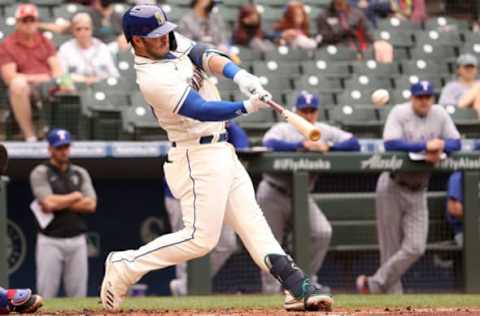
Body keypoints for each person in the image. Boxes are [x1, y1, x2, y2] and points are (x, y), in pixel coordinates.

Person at [101, 5, 333, 312]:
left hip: (221, 149)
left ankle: (294, 284)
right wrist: (245, 106)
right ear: (136, 41)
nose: (163, 39)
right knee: (201, 240)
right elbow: (199, 108)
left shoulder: (167, 41)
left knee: (253, 224)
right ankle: (125, 264)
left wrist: (239, 74)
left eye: (164, 32)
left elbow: (201, 53)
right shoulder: (151, 78)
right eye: (153, 36)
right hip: (195, 155)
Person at [356, 81, 461, 294]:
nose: (424, 101)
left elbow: (456, 143)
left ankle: (374, 284)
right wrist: (425, 146)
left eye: (428, 97)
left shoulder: (439, 113)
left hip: (419, 187)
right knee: (390, 249)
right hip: (393, 185)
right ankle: (394, 301)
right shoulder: (399, 112)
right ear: (412, 98)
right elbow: (391, 143)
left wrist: (440, 146)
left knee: (416, 247)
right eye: (420, 97)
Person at [257, 91, 360, 294]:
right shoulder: (284, 128)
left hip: (301, 195)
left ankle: (303, 282)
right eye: (304, 110)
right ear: (296, 111)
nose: (308, 115)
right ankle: (270, 291)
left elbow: (353, 143)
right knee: (269, 243)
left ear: (317, 112)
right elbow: (269, 143)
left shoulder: (320, 130)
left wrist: (328, 147)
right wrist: (301, 145)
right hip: (273, 191)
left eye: (312, 111)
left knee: (321, 232)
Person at [166, 121, 248, 296]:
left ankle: (186, 285)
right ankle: (185, 288)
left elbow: (243, 145)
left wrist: (227, 123)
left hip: (213, 194)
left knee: (227, 243)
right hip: (181, 193)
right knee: (185, 242)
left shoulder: (220, 122)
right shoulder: (188, 117)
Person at [29, 128, 97, 298]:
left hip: (77, 239)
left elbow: (91, 205)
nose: (63, 151)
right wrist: (75, 196)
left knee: (77, 295)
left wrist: (59, 203)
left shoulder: (80, 173)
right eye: (59, 147)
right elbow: (48, 203)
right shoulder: (41, 172)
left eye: (66, 147)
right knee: (46, 294)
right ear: (50, 149)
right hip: (50, 239)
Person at [0, 4, 63, 141]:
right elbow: (9, 77)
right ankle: (30, 136)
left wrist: (50, 79)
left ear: (37, 22)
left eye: (32, 20)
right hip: (27, 87)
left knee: (67, 82)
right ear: (17, 23)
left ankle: (66, 135)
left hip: (48, 83)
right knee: (18, 85)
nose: (29, 24)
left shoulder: (44, 41)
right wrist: (38, 78)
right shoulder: (7, 44)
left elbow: (58, 70)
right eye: (24, 21)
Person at [317, 0, 393, 61]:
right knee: (348, 51)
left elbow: (367, 32)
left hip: (356, 45)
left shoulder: (356, 13)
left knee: (383, 46)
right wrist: (345, 29)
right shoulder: (324, 15)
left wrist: (376, 42)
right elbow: (325, 37)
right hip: (337, 46)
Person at [58, 12, 119, 86]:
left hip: (101, 86)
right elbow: (62, 76)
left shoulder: (102, 48)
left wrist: (96, 79)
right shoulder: (65, 49)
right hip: (76, 87)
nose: (83, 32)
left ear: (91, 29)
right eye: (78, 29)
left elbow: (114, 74)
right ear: (73, 31)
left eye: (86, 28)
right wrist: (84, 79)